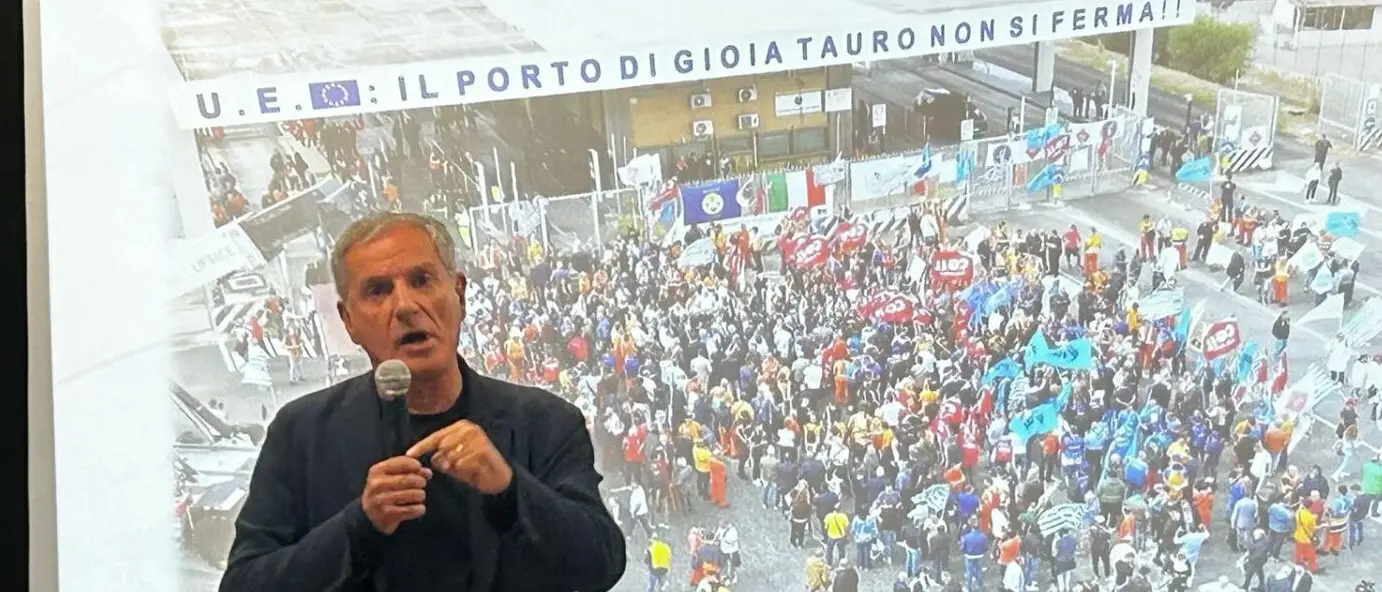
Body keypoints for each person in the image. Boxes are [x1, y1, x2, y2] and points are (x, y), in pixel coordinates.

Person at [218, 213, 626, 591]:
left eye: (422, 280)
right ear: (348, 321)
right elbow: (244, 582)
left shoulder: (545, 422)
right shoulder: (302, 432)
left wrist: (510, 489)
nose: (406, 305)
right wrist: (359, 525)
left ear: (459, 293)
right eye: (378, 290)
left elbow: (601, 564)